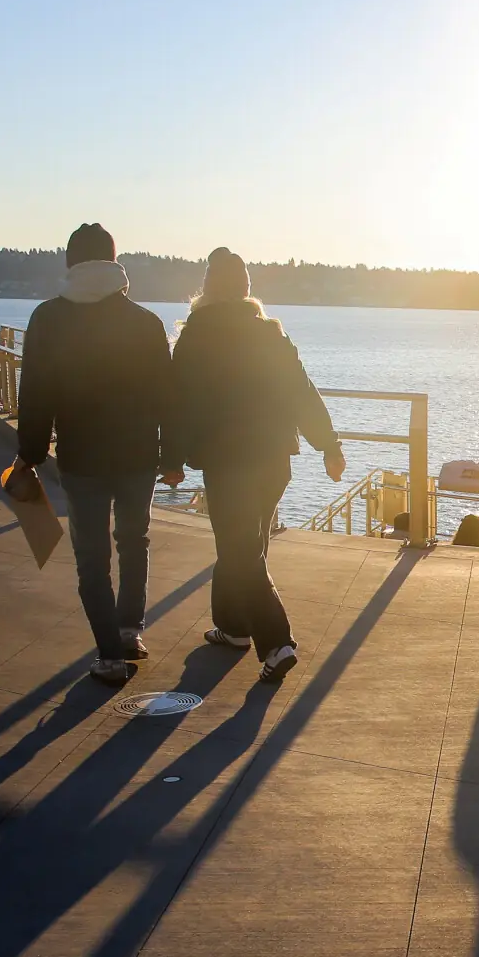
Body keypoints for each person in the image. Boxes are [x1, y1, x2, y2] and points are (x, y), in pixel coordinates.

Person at [163, 246, 343, 685]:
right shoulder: (270, 335)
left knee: (242, 550)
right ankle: (233, 627)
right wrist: (329, 444)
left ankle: (277, 642)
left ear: (207, 289)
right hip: (274, 459)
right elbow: (303, 392)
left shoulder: (196, 337)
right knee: (244, 544)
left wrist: (170, 459)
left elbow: (178, 405)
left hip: (228, 462)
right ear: (246, 290)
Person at [14, 223, 173, 685]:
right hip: (139, 454)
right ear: (114, 262)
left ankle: (109, 655)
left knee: (92, 556)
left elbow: (36, 393)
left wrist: (30, 451)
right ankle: (129, 632)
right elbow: (168, 395)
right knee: (134, 541)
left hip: (81, 455)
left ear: (70, 263)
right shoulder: (145, 322)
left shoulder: (49, 318)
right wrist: (174, 454)